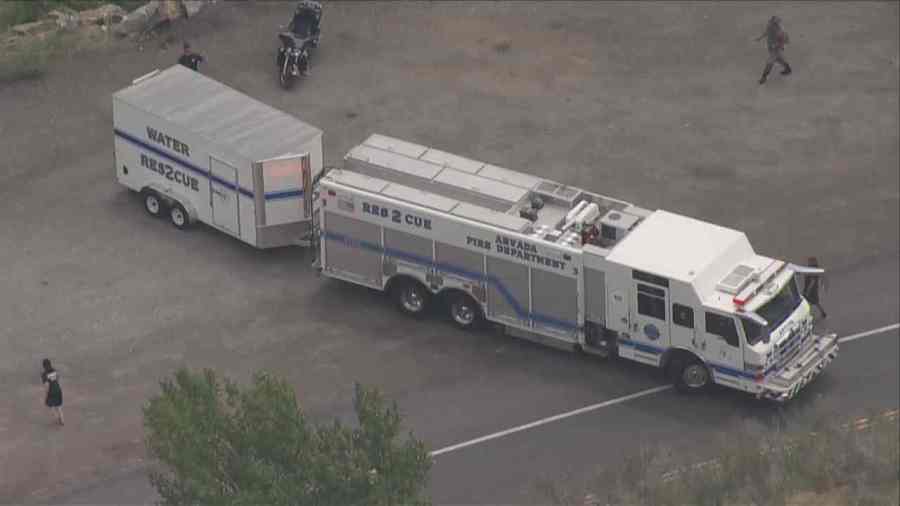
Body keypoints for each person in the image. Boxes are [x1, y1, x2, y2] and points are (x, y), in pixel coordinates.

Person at [756, 16, 792, 84]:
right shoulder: (769, 27)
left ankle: (763, 78)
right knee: (780, 59)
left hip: (776, 50)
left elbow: (786, 40)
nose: (772, 23)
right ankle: (788, 69)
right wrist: (760, 38)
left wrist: (777, 45)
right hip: (771, 48)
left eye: (775, 23)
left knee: (769, 63)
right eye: (772, 22)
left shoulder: (780, 30)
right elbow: (766, 32)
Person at [41, 358, 64, 426]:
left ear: (44, 366)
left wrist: (46, 395)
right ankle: (62, 420)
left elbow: (47, 386)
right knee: (58, 406)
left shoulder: (44, 374)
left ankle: (57, 419)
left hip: (51, 392)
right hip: (58, 390)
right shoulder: (54, 370)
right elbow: (58, 378)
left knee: (51, 406)